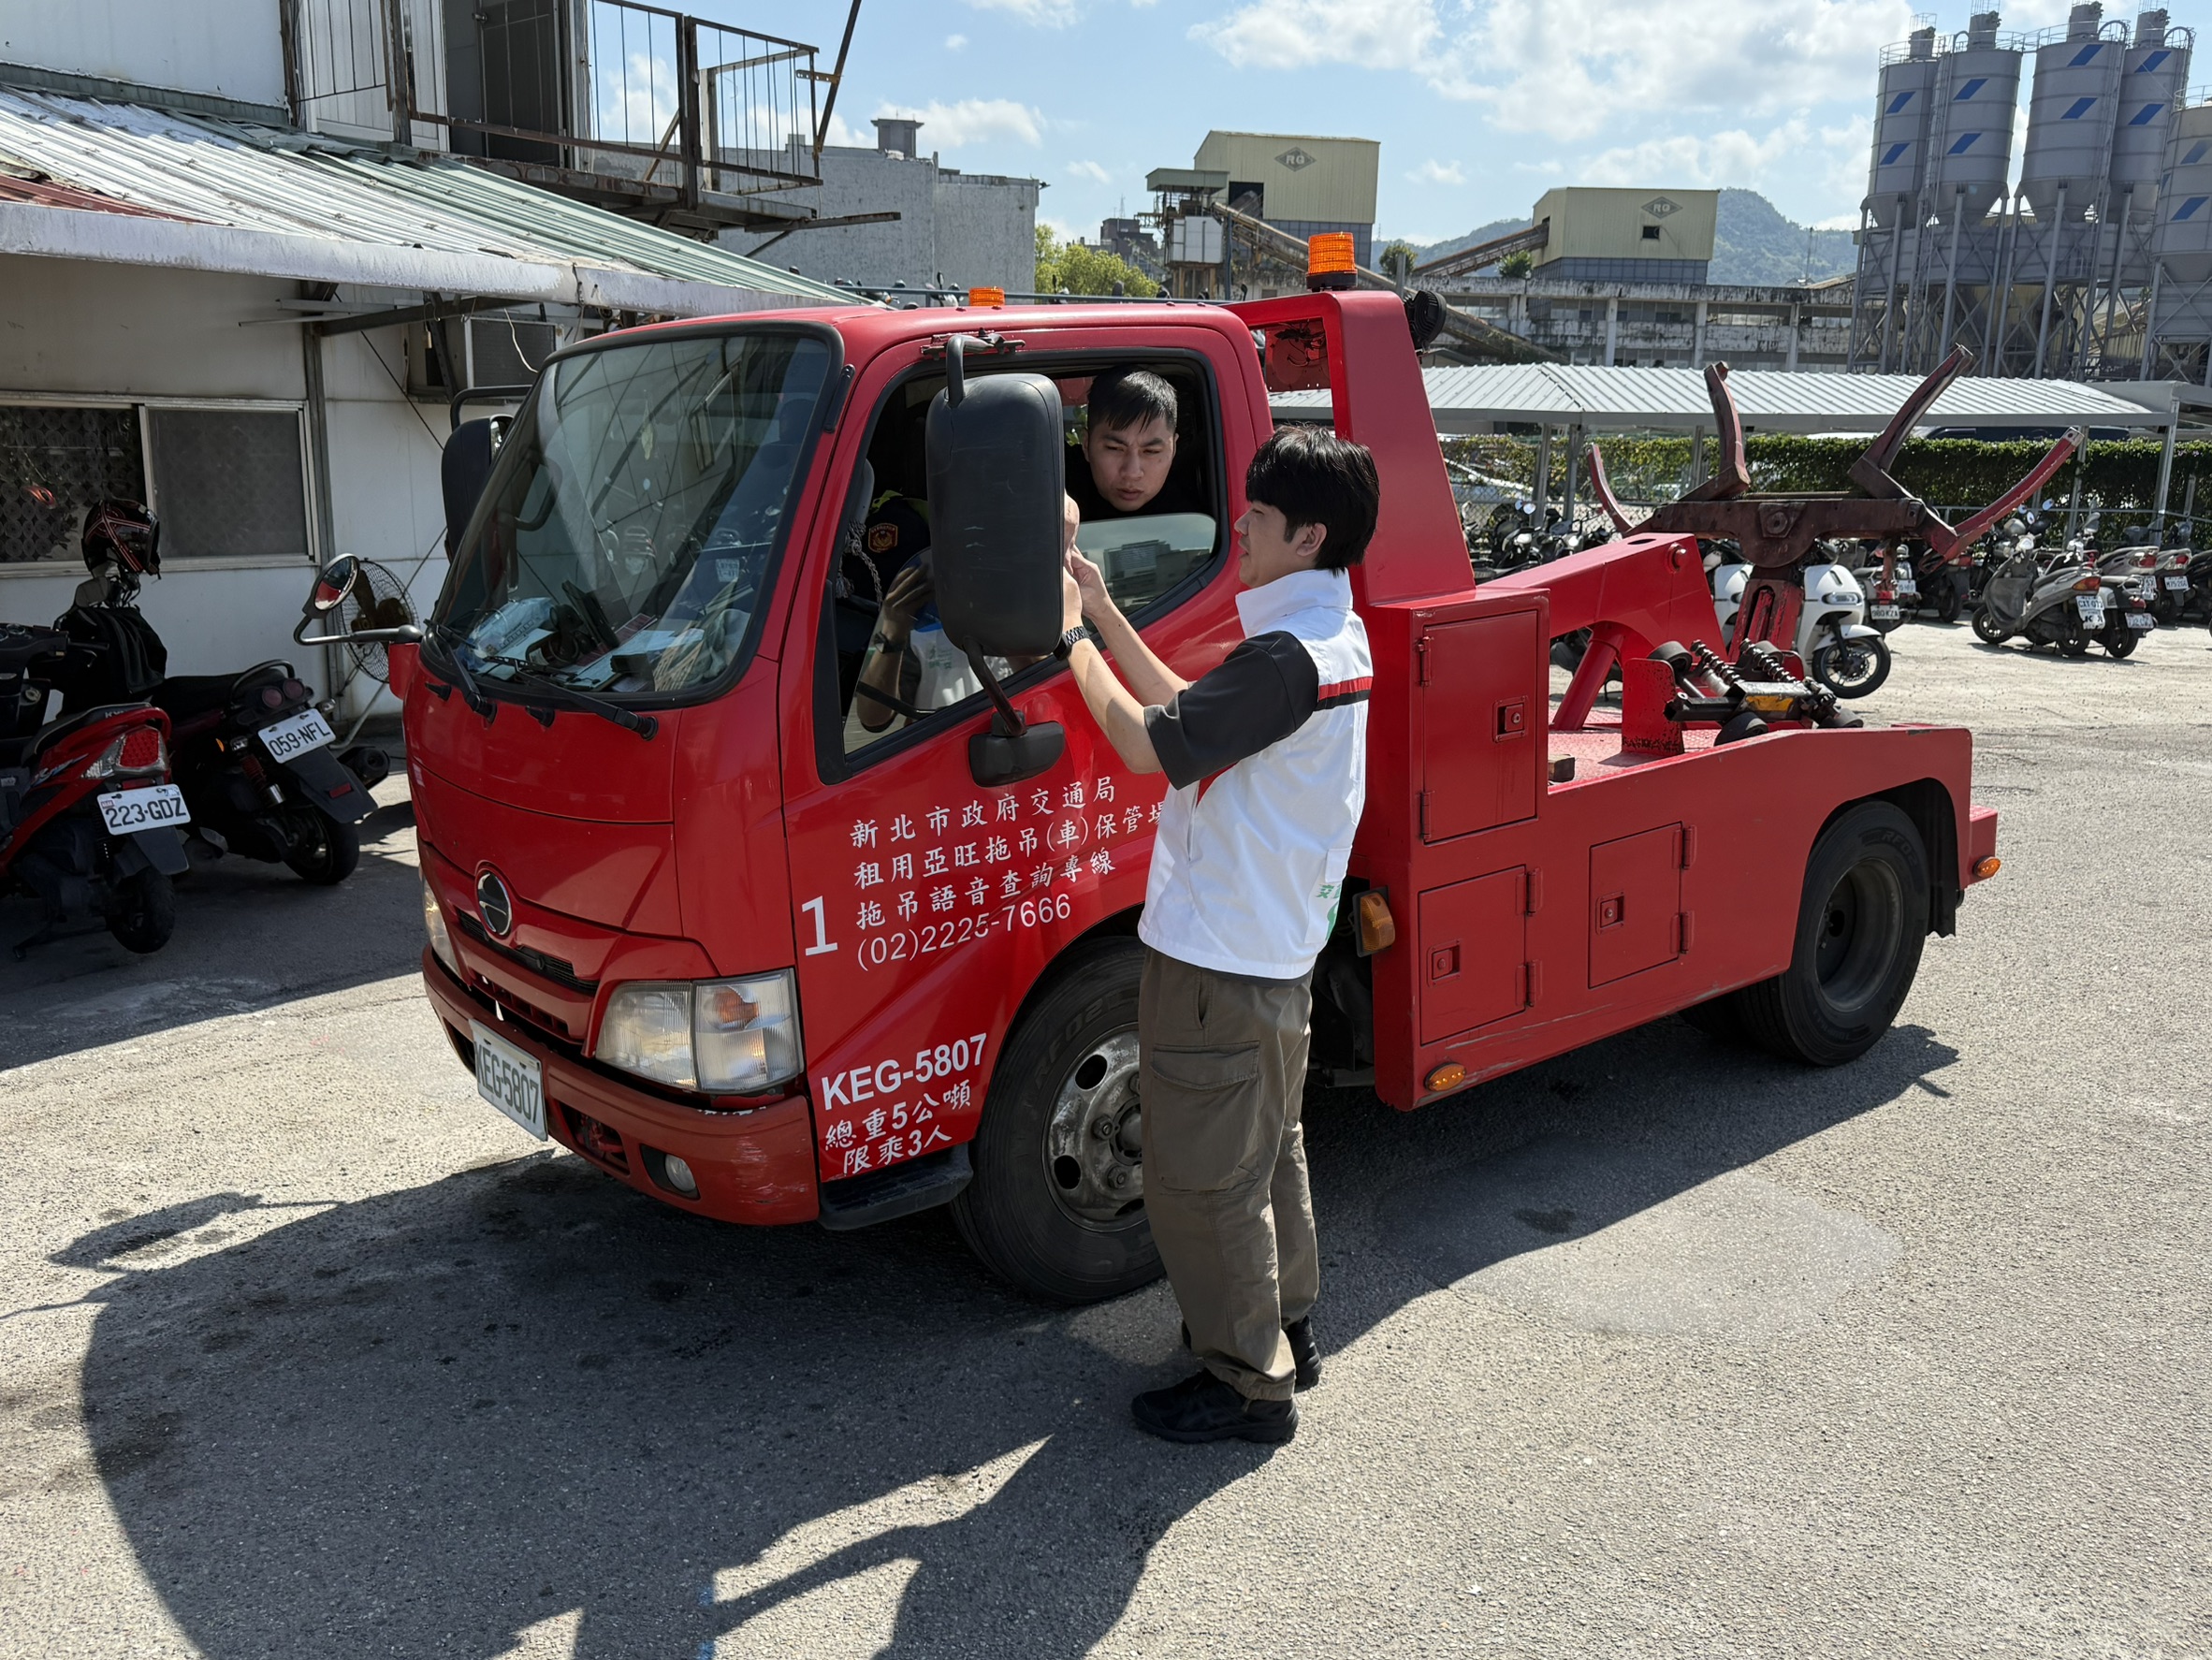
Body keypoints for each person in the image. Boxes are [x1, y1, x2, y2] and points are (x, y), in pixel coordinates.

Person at [1054, 426, 1379, 1446]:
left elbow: (1151, 745)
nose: (1240, 523)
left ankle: (1246, 1383)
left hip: (1219, 960)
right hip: (1273, 953)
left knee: (1202, 1182)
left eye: (1261, 516)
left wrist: (1067, 640)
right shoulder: (1328, 636)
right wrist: (1105, 607)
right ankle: (1285, 1324)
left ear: (1309, 533)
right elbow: (1195, 714)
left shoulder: (1288, 657)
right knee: (1267, 1152)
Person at [1067, 367, 1205, 523]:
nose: (1132, 472)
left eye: (1151, 451)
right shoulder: (1054, 483)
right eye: (1114, 449)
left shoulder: (1195, 517)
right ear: (1086, 445)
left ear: (1173, 449)